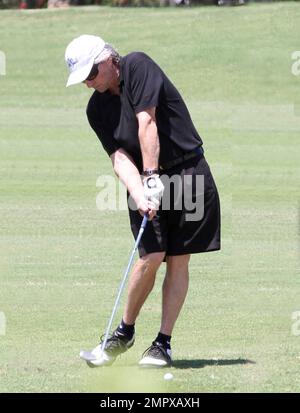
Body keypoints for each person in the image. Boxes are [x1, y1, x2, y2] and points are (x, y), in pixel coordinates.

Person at [65, 35, 221, 368]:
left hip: (187, 172)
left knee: (178, 259)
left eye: (92, 73)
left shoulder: (138, 66)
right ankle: (124, 332)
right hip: (144, 180)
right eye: (83, 79)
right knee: (150, 255)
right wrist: (141, 191)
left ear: (108, 59)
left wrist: (152, 177)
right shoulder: (96, 109)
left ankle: (162, 344)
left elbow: (146, 121)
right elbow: (119, 157)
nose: (89, 83)